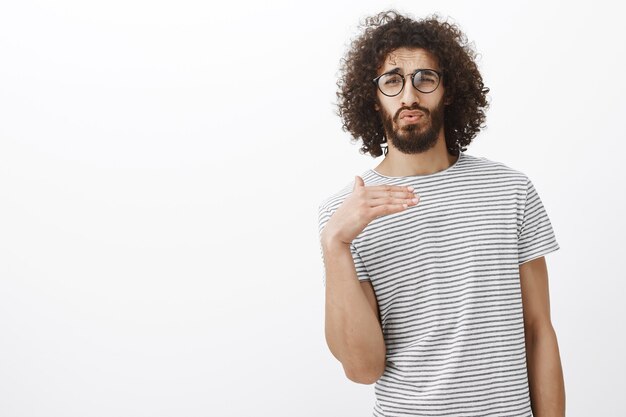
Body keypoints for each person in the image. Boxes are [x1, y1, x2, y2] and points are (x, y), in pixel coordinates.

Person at [317, 10, 566, 417]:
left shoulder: (511, 190)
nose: (409, 97)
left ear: (448, 90)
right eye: (392, 81)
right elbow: (362, 369)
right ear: (374, 96)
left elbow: (539, 331)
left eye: (424, 78)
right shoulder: (343, 215)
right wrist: (335, 244)